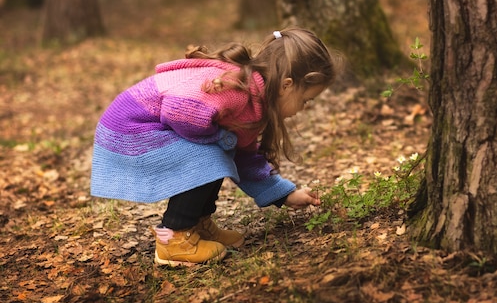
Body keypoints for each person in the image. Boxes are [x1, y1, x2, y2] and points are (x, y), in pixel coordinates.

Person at [91, 27, 339, 266]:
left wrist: (284, 194)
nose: (303, 108)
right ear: (287, 85)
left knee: (219, 151)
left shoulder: (254, 99)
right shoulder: (238, 89)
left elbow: (247, 160)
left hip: (137, 128)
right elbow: (178, 110)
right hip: (129, 130)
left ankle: (197, 223)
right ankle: (173, 238)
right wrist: (222, 140)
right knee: (211, 153)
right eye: (306, 100)